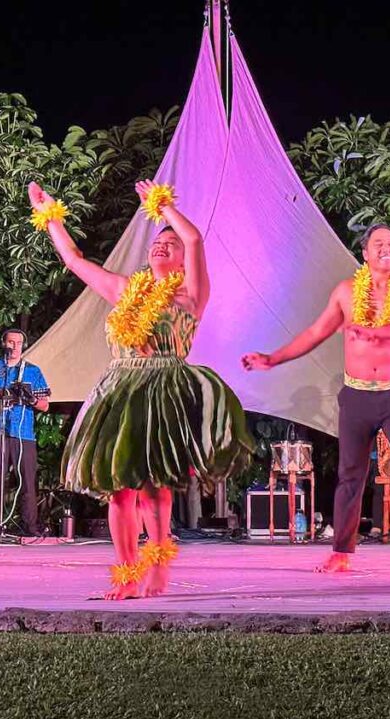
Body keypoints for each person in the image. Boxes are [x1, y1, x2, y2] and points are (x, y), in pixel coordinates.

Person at [30, 179, 253, 599]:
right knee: (119, 491)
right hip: (120, 391)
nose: (161, 246)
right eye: (157, 243)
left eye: (170, 245)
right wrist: (49, 215)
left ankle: (159, 566)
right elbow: (75, 260)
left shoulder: (191, 294)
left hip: (163, 389)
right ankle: (127, 573)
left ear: (185, 260)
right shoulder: (124, 291)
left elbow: (193, 236)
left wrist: (161, 206)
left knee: (154, 489)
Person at [243, 223, 390, 574]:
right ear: (364, 253)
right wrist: (273, 358)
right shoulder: (346, 292)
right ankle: (341, 552)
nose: (387, 248)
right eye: (378, 243)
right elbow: (316, 332)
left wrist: (379, 332)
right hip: (357, 394)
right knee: (350, 473)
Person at [0, 329, 50, 537]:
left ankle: (29, 527)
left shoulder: (32, 371)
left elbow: (45, 405)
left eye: (19, 343)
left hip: (24, 433)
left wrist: (31, 400)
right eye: (11, 342)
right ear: (4, 343)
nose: (15, 346)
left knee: (28, 481)